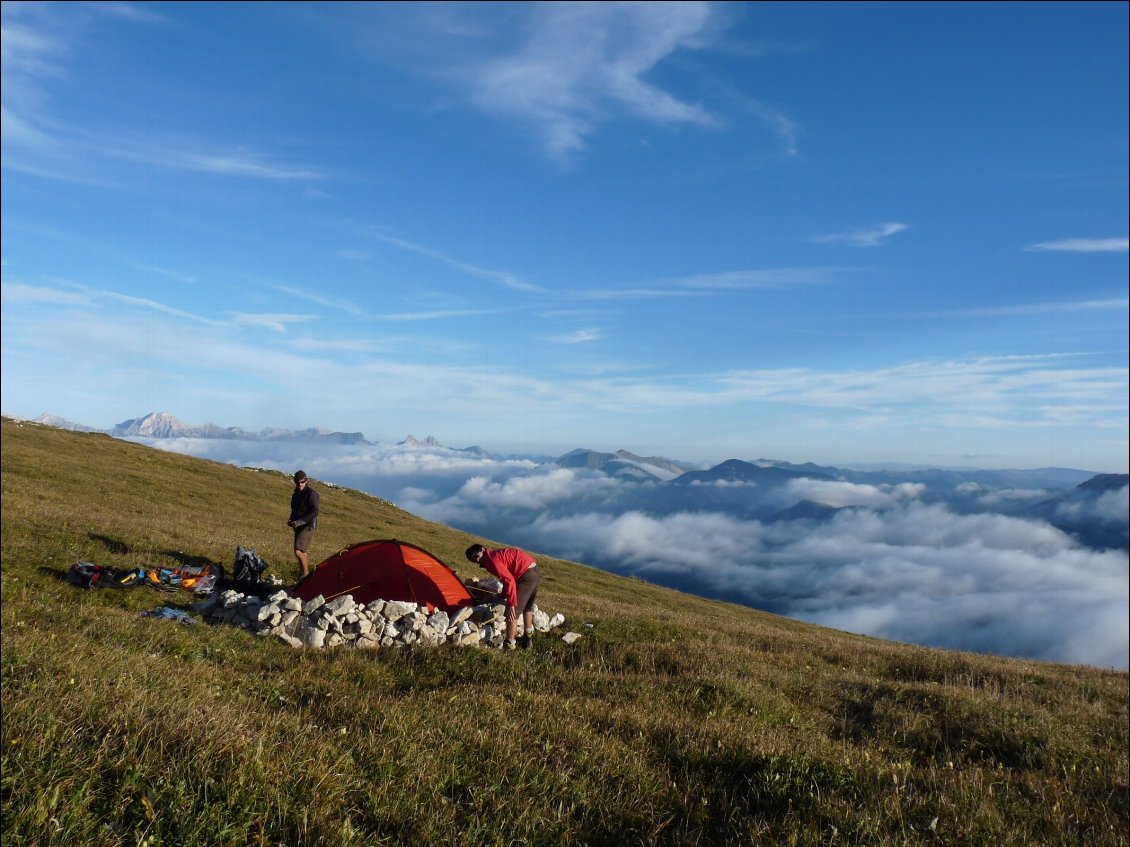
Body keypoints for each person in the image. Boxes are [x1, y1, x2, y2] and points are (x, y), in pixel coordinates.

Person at [465, 543, 541, 650]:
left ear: (482, 549)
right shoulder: (494, 554)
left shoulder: (491, 561)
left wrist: (511, 604)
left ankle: (509, 646)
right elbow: (507, 577)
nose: (477, 560)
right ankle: (528, 640)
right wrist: (503, 595)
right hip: (535, 571)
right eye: (473, 560)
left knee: (512, 614)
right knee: (527, 607)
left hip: (525, 576)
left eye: (477, 556)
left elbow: (509, 581)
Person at [287, 470, 320, 578]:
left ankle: (305, 575)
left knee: (298, 551)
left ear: (306, 481)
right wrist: (291, 519)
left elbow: (315, 511)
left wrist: (300, 521)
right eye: (298, 482)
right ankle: (304, 575)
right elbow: (294, 509)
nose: (300, 484)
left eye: (302, 482)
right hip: (298, 526)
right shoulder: (295, 494)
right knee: (302, 551)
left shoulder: (311, 493)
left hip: (308, 525)